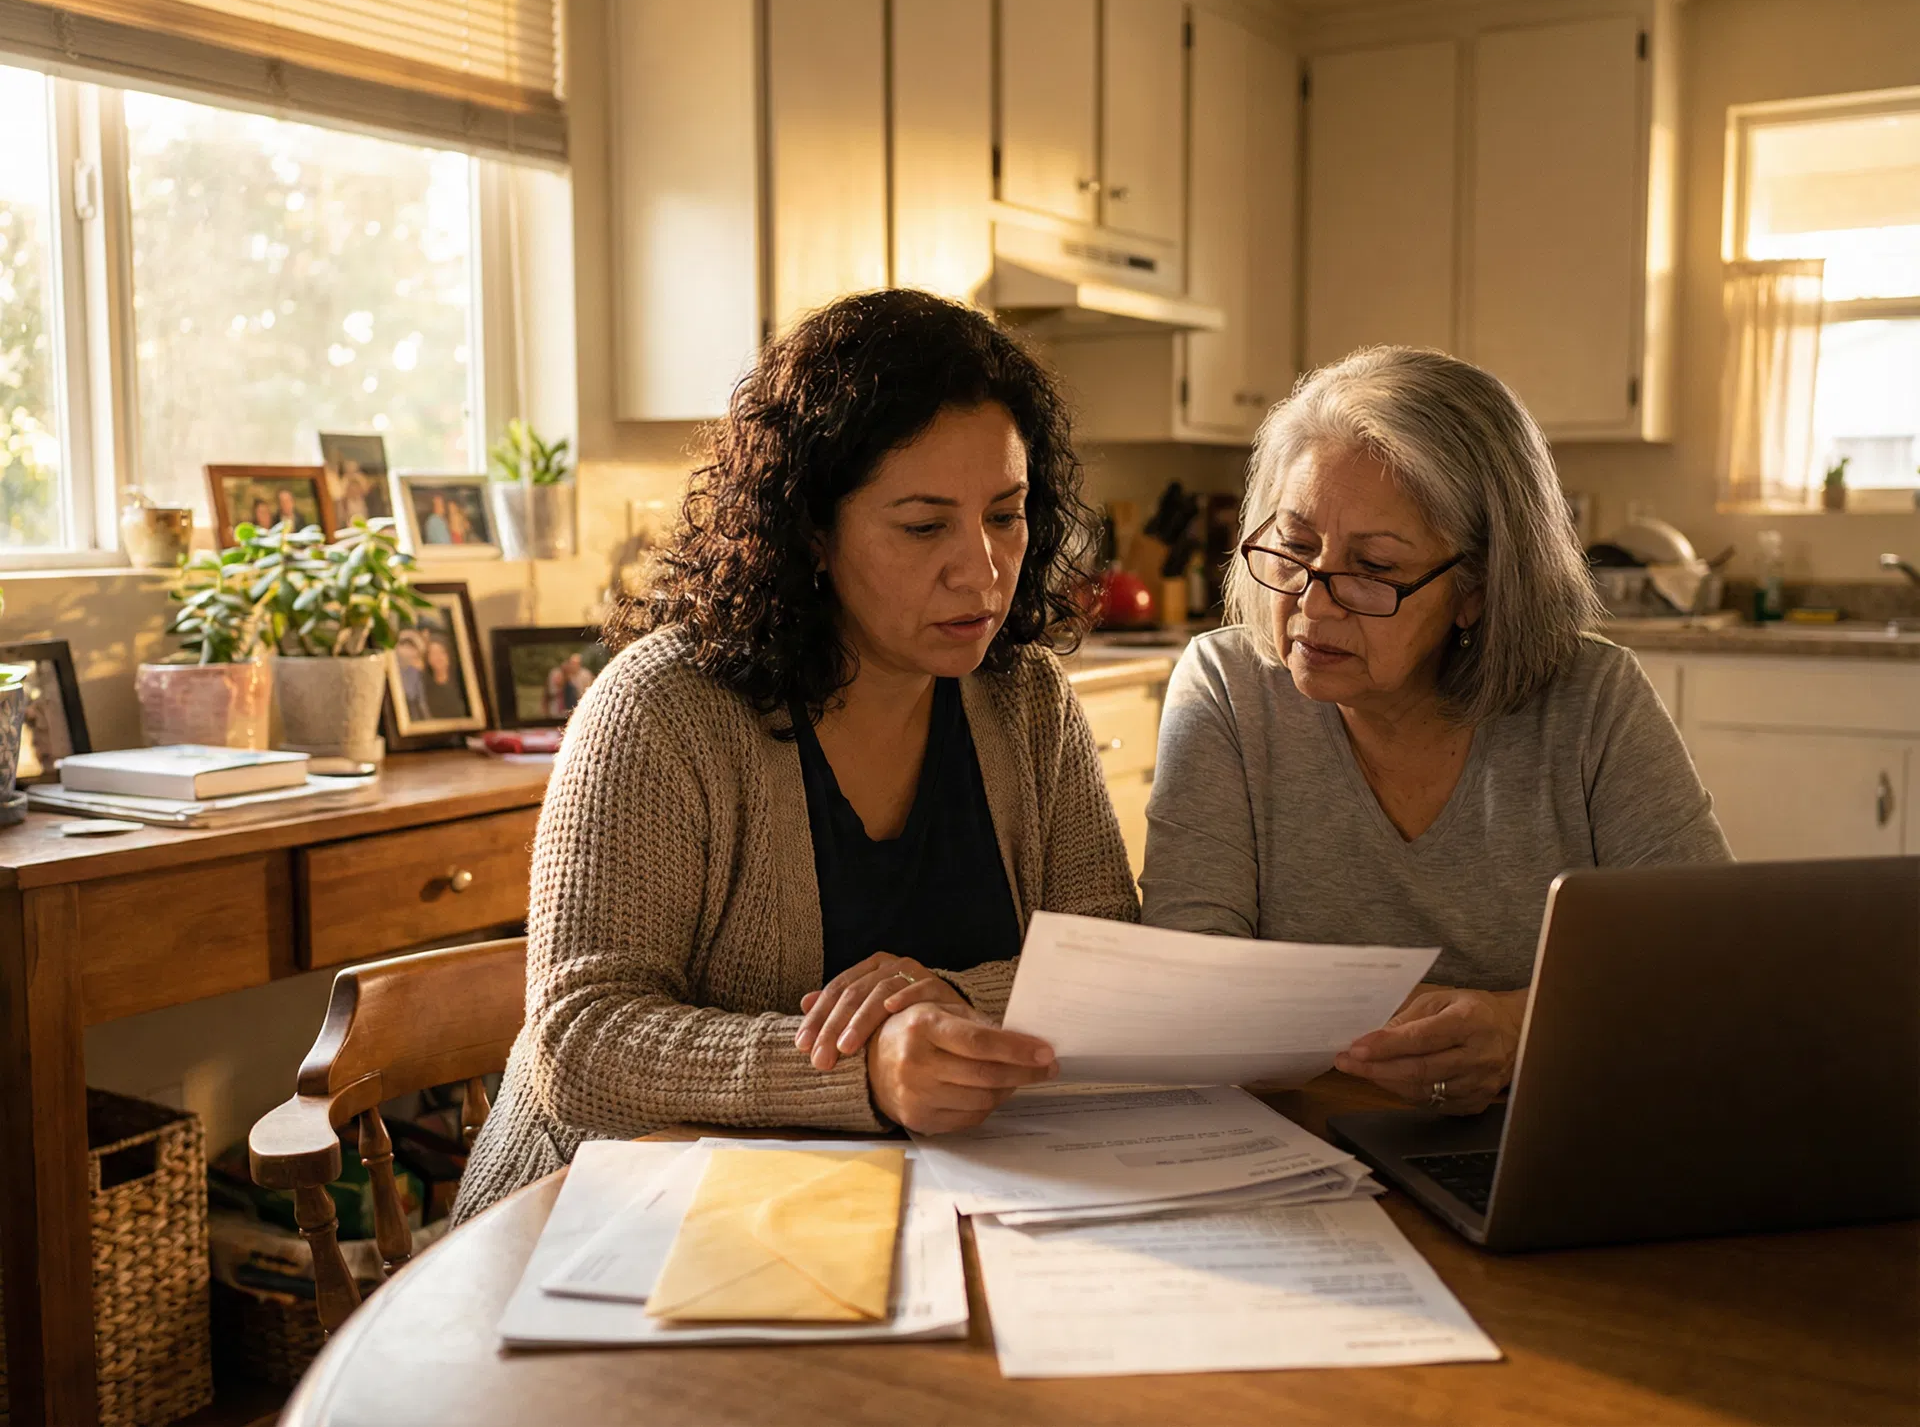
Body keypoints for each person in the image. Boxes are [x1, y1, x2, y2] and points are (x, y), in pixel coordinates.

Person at [453, 289, 1137, 1223]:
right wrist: (867, 1069)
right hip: (624, 1227)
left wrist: (950, 997)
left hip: (925, 1206)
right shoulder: (663, 711)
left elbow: (1109, 965)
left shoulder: (1024, 702)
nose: (980, 570)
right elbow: (581, 1045)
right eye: (923, 525)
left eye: (1006, 515)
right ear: (812, 529)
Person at [1142, 346, 1730, 1118]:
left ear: (1476, 593)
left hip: (1549, 1134)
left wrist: (1522, 1029)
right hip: (1301, 1140)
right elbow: (1188, 975)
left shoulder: (1592, 702)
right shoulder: (1226, 688)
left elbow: (1710, 966)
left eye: (1375, 570)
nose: (1312, 609)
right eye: (1292, 546)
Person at [420, 636, 469, 720]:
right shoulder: (424, 689)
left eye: (441, 652)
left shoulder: (463, 685)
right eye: (433, 653)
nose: (438, 657)